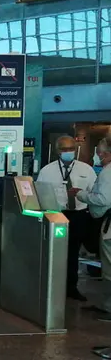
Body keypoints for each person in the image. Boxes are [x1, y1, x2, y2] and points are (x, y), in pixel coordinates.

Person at [39, 136, 96, 302]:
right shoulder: (47, 171)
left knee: (73, 252)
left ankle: (71, 287)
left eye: (71, 149)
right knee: (54, 252)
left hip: (79, 215)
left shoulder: (86, 170)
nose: (68, 152)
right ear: (58, 151)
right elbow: (41, 193)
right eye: (64, 150)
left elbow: (94, 192)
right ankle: (53, 286)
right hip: (57, 214)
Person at [71, 138, 111, 319]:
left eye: (101, 153)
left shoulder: (108, 173)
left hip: (109, 224)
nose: (99, 156)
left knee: (109, 267)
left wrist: (80, 194)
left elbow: (103, 200)